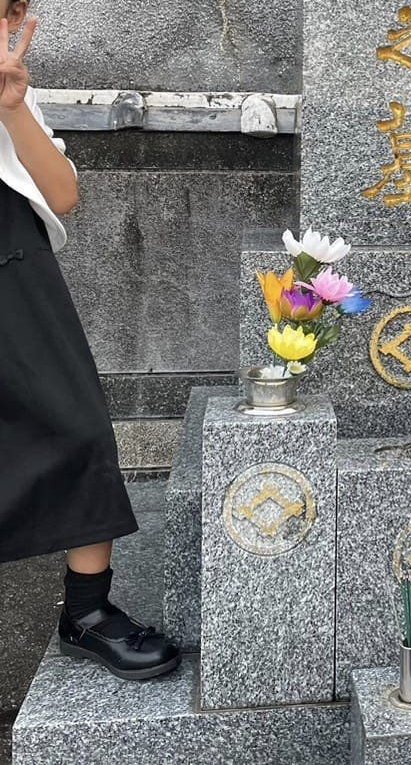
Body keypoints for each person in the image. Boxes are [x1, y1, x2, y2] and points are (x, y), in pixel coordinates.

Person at [0, 0, 179, 680]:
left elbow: (63, 194)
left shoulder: (12, 93)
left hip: (15, 268)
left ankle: (87, 612)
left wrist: (12, 108)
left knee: (79, 426)